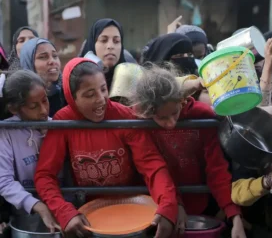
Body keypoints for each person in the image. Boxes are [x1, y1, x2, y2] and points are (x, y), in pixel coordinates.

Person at [34, 58, 178, 238]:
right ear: (72, 97)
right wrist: (64, 211)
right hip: (90, 216)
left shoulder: (123, 116)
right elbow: (44, 175)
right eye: (89, 94)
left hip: (134, 210)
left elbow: (152, 165)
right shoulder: (63, 122)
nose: (101, 99)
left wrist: (168, 205)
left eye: (103, 89)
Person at [131, 64, 246, 238]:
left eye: (175, 113)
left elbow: (216, 169)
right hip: (160, 203)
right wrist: (176, 204)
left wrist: (234, 215)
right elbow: (155, 168)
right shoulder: (142, 122)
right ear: (147, 112)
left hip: (204, 202)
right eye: (162, 118)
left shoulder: (202, 116)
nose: (171, 123)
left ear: (182, 100)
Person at [0, 70, 60, 234]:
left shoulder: (56, 126)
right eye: (34, 106)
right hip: (24, 213)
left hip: (59, 203)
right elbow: (4, 181)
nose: (43, 110)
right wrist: (37, 206)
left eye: (45, 101)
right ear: (14, 109)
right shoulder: (6, 132)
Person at [19, 38, 64, 117]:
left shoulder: (65, 96)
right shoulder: (20, 98)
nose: (52, 61)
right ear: (28, 62)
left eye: (55, 56)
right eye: (43, 57)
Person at [79, 18, 126, 89]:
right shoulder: (77, 81)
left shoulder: (131, 81)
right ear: (92, 44)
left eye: (116, 41)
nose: (110, 46)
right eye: (104, 40)